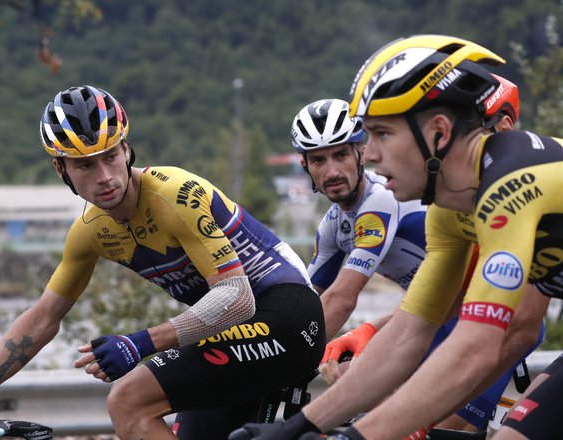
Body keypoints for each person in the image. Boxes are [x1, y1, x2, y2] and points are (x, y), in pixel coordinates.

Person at [0, 85, 326, 440]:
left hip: (286, 314)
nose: (105, 176)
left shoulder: (174, 195)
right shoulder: (91, 232)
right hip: (232, 336)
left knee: (129, 399)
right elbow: (41, 318)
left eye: (110, 156)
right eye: (85, 165)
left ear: (127, 149)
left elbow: (237, 298)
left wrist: (139, 343)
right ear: (62, 171)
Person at [230, 34, 562, 439]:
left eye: (381, 134)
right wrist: (301, 427)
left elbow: (482, 344)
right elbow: (409, 332)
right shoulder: (446, 213)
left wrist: (355, 436)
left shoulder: (510, 184)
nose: (368, 154)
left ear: (438, 132)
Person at [292, 91, 545, 434]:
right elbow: (308, 305)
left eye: (340, 155)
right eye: (319, 161)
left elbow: (340, 298)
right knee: (350, 372)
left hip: (491, 315)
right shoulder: (333, 226)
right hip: (441, 315)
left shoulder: (380, 199)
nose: (332, 170)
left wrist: (283, 357)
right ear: (305, 166)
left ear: (360, 152)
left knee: (439, 428)